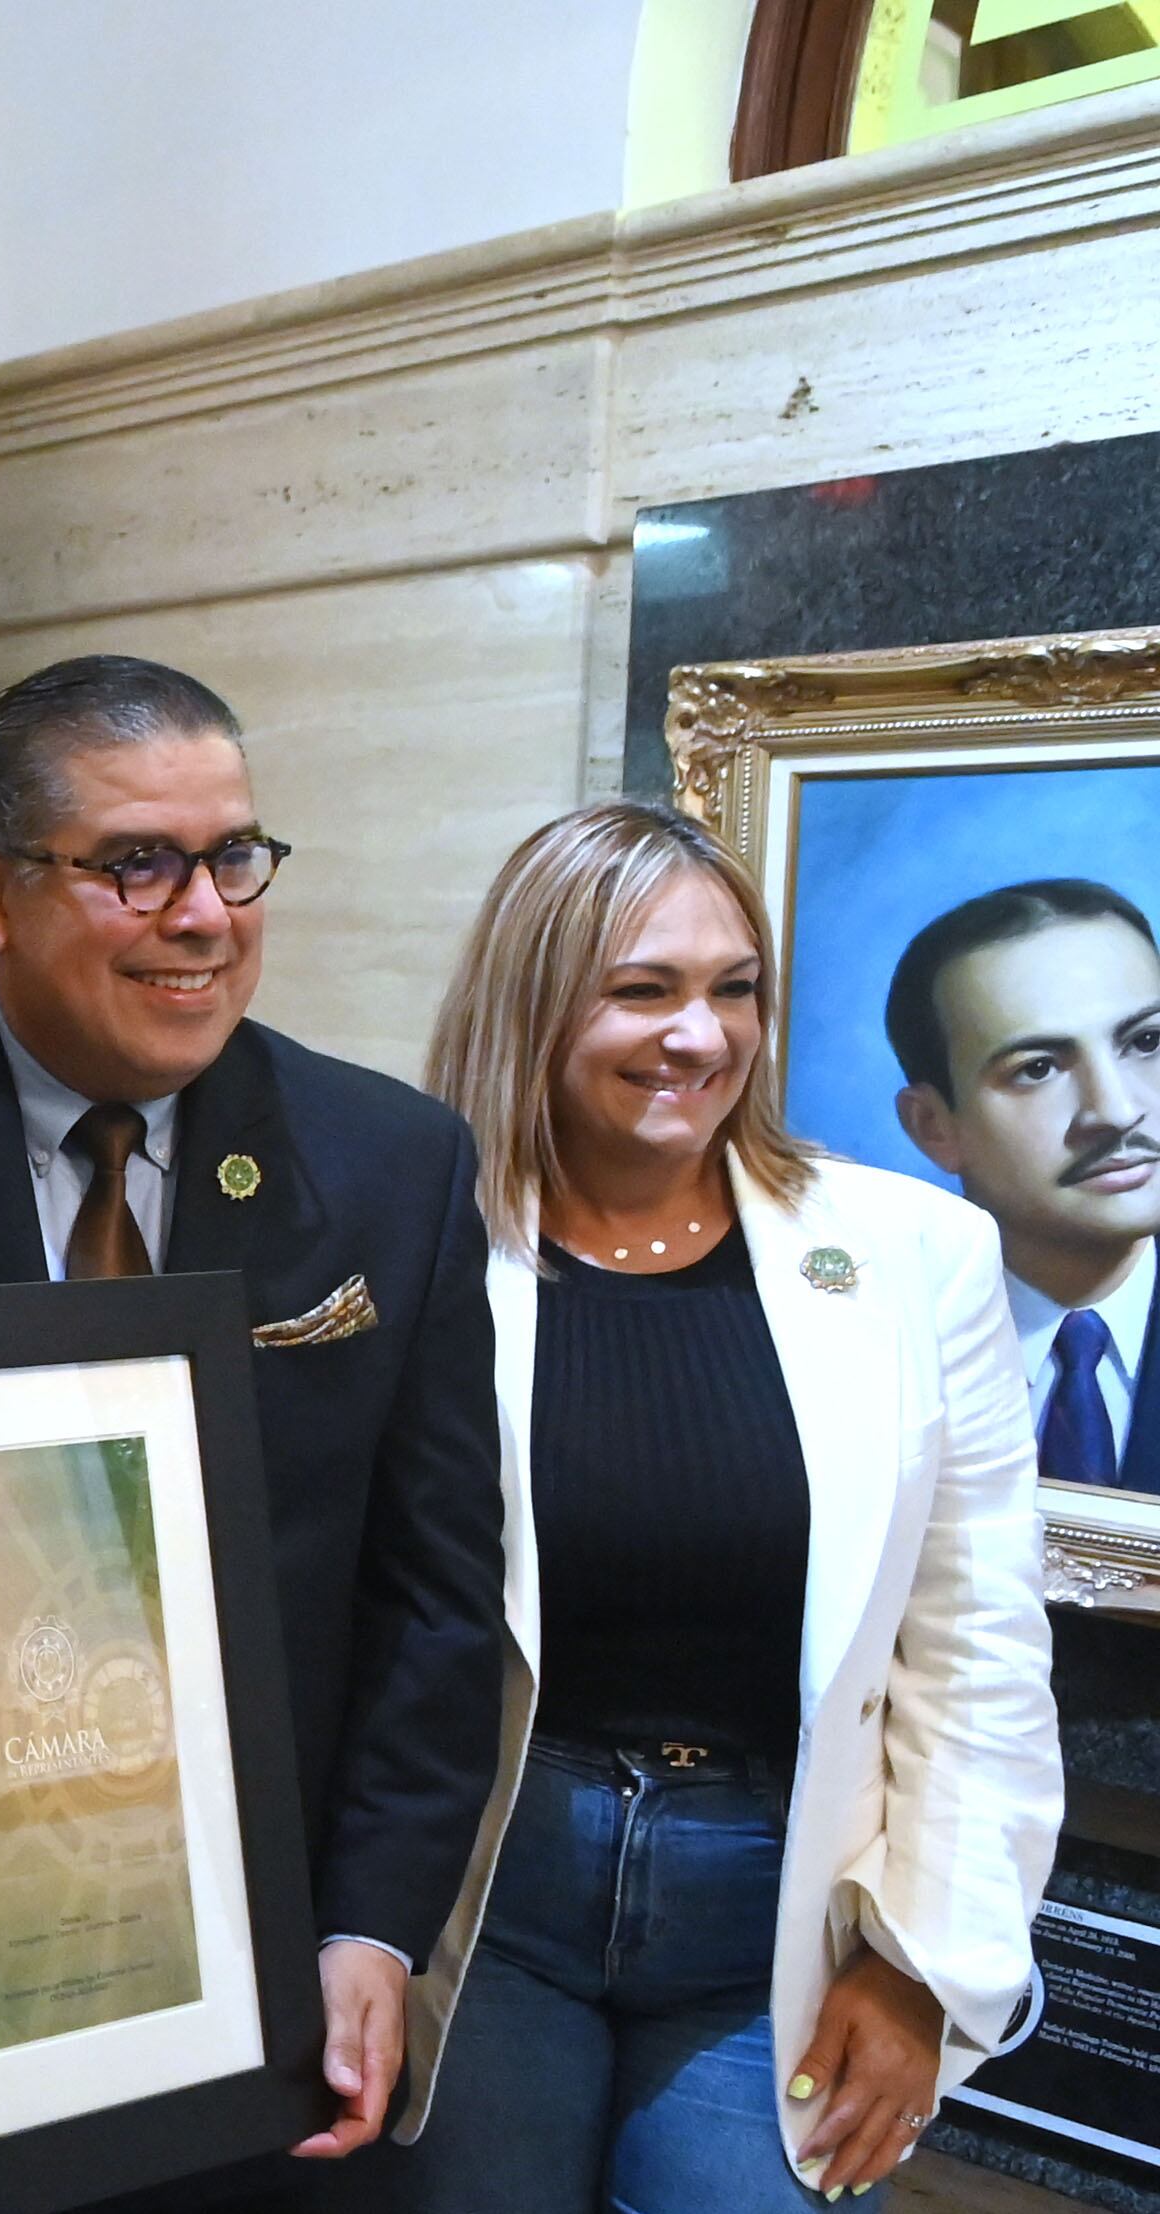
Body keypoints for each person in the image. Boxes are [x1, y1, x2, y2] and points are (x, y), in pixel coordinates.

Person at [0, 654, 508, 2185]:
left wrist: (372, 1923)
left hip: (262, 1977)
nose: (205, 914)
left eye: (235, 855)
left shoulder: (396, 1164)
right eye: (138, 864)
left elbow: (435, 1601)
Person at [398, 801, 1056, 2210]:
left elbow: (980, 1647)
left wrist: (921, 1968)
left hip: (777, 1908)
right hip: (491, 1891)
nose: (700, 1035)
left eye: (733, 988)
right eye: (643, 988)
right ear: (535, 998)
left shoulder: (913, 1252)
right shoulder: (426, 1239)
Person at [888, 878, 1160, 1493]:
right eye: (1037, 1069)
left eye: (1148, 1042)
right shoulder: (869, 1350)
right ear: (933, 1127)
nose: (1115, 1112)